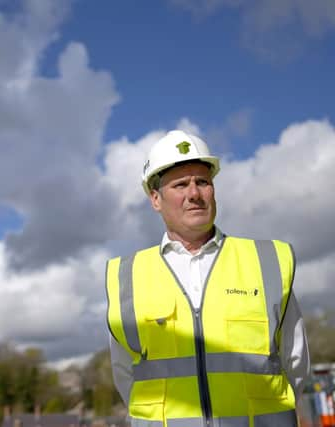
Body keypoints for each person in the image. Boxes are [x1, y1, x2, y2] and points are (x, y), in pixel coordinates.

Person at [105, 130, 310, 426]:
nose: (194, 194)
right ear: (155, 199)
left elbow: (296, 362)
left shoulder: (267, 262)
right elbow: (126, 374)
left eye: (202, 181)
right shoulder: (127, 276)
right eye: (179, 184)